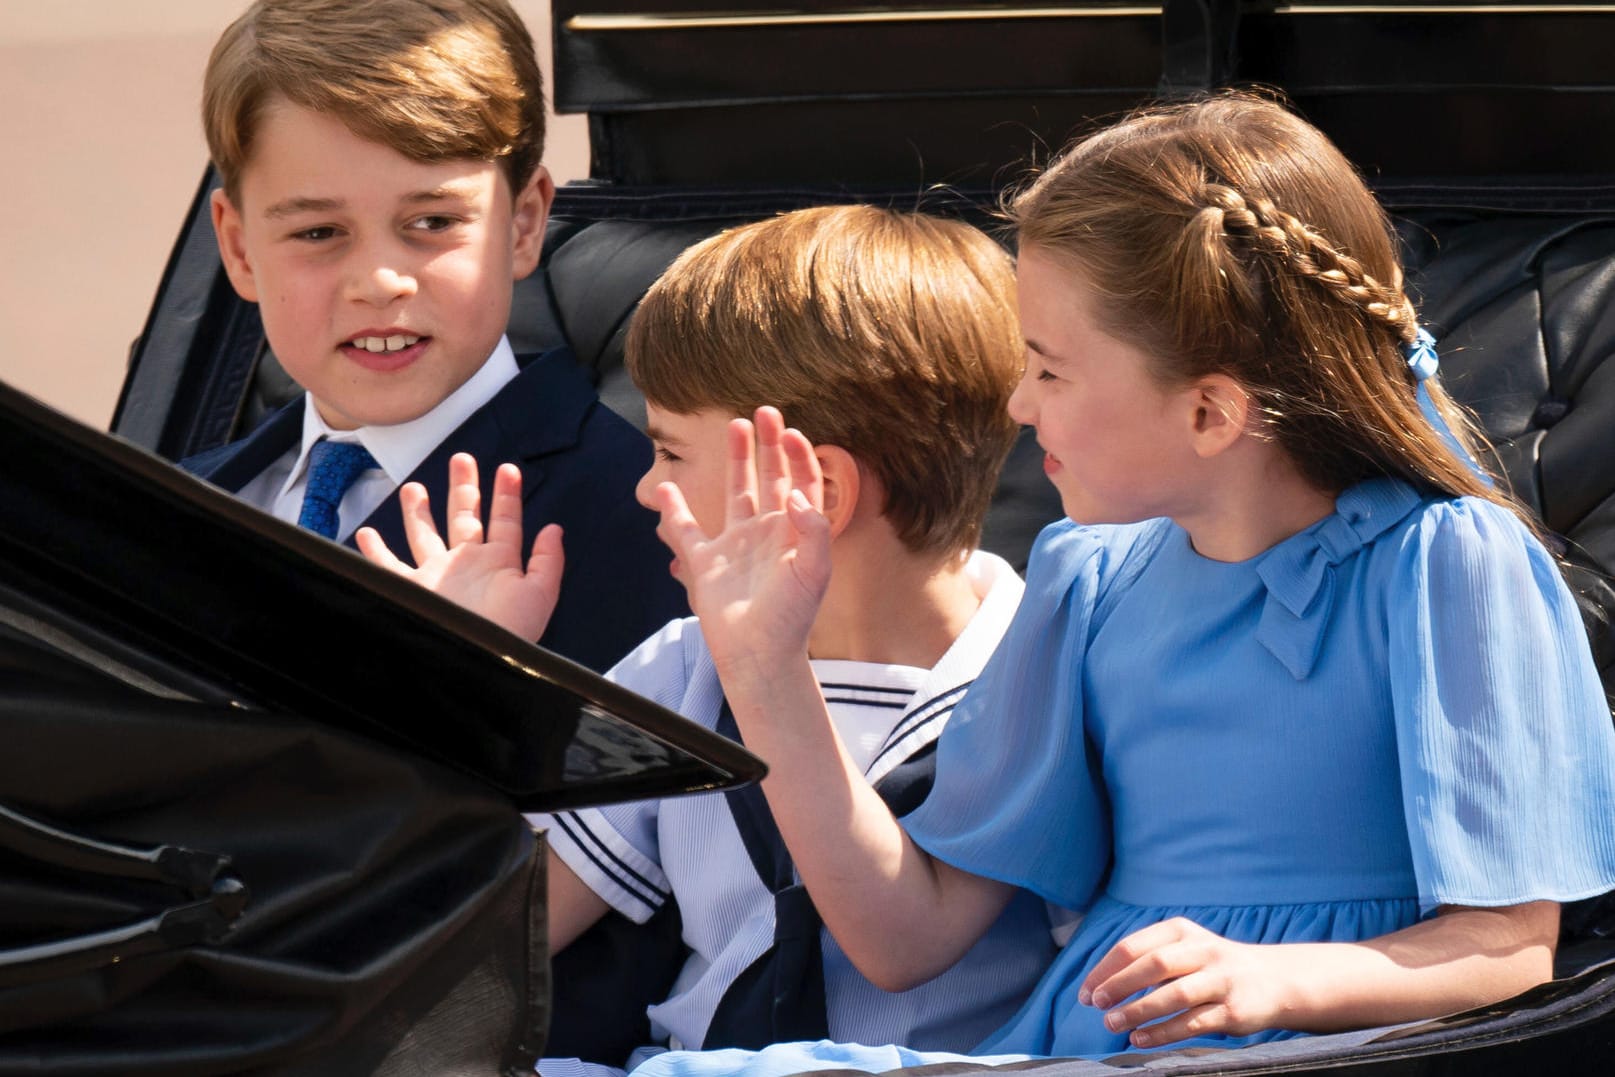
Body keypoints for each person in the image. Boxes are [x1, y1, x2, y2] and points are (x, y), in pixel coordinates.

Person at [607, 92, 1615, 1076]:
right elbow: (904, 938)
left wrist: (1274, 982)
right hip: (1088, 1048)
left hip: (1329, 1053)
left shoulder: (1449, 563)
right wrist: (764, 667)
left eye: (1049, 371)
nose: (1017, 404)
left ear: (1210, 414)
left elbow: (1509, 948)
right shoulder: (1084, 581)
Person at [360, 206, 1065, 1067]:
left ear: (818, 492)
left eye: (671, 454)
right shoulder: (679, 671)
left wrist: (763, 669)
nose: (647, 488)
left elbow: (899, 950)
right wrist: (465, 686)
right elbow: (483, 930)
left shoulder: (1038, 672)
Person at [180, 0, 685, 672]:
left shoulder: (651, 526)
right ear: (239, 250)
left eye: (432, 222)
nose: (380, 281)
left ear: (524, 224)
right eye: (318, 233)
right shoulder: (167, 512)